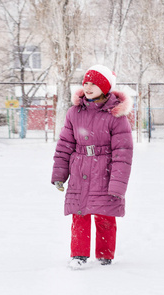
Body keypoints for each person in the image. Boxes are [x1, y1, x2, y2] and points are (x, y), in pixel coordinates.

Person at [51, 64, 133, 269]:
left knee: (105, 214)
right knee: (80, 214)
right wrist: (60, 173)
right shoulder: (74, 112)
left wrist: (117, 185)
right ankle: (79, 254)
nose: (88, 87)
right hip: (80, 171)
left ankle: (105, 255)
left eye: (94, 83)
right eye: (85, 82)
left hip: (104, 172)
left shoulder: (116, 116)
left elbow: (123, 153)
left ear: (104, 87)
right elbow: (64, 145)